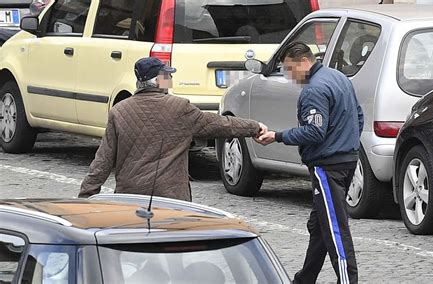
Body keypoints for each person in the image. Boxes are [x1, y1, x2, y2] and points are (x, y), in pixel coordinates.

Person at [79, 57, 267, 201]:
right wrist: (254, 127)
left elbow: (103, 159)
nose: (170, 80)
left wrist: (86, 195)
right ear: (159, 80)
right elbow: (220, 124)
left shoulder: (118, 111)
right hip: (171, 197)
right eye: (167, 76)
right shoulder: (180, 107)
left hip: (130, 195)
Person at [257, 42, 363, 284]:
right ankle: (304, 279)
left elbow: (314, 132)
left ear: (303, 62)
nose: (288, 75)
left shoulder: (314, 89)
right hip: (346, 160)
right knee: (319, 227)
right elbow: (358, 116)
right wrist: (346, 144)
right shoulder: (339, 77)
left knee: (335, 230)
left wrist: (277, 136)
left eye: (289, 68)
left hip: (328, 167)